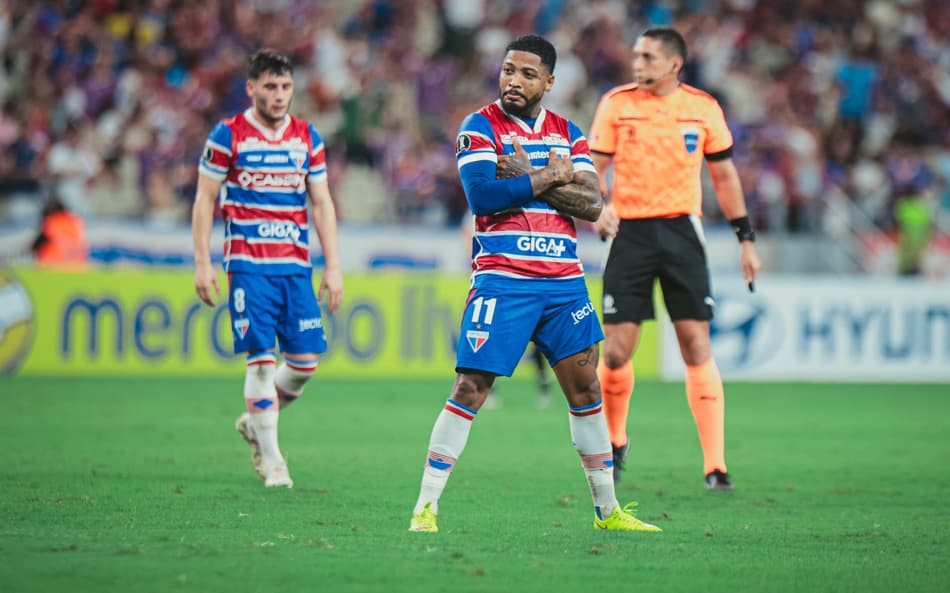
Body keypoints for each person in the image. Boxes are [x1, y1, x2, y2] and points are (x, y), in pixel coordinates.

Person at [408, 35, 661, 534]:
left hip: (564, 285)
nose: (513, 81)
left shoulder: (569, 130)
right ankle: (426, 506)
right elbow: (483, 196)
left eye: (527, 74)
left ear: (548, 81)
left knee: (587, 388)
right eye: (507, 70)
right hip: (503, 282)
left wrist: (529, 174)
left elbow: (592, 204)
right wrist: (549, 177)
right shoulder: (478, 127)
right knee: (471, 386)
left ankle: (608, 512)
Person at [588, 28, 761, 490]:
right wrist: (598, 207)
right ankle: (614, 440)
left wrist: (746, 238)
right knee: (618, 350)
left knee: (696, 347)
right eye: (635, 56)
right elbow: (591, 170)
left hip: (683, 231)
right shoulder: (617, 104)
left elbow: (724, 177)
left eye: (647, 57)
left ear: (674, 65)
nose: (637, 64)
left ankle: (715, 464)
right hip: (630, 232)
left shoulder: (703, 109)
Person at [192, 49, 344, 489]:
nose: (279, 96)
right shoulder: (228, 135)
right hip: (248, 265)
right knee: (260, 362)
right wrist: (203, 262)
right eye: (271, 87)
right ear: (252, 88)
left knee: (304, 363)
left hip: (295, 266)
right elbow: (205, 199)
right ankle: (273, 460)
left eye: (286, 87)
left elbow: (322, 203)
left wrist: (333, 265)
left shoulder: (306, 137)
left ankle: (255, 422)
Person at [31, 198, 89, 267]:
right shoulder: (75, 220)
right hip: (77, 263)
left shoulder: (52, 222)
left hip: (53, 264)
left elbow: (40, 240)